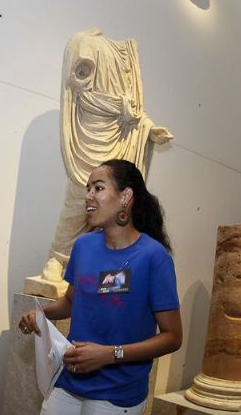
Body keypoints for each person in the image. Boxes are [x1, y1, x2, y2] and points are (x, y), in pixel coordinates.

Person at [19, 159, 182, 415]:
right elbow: (72, 301)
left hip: (116, 395)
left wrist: (110, 354)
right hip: (68, 382)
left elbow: (172, 337)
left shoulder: (154, 257)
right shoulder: (83, 246)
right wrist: (42, 314)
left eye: (98, 188)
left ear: (125, 196)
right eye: (88, 189)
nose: (88, 197)